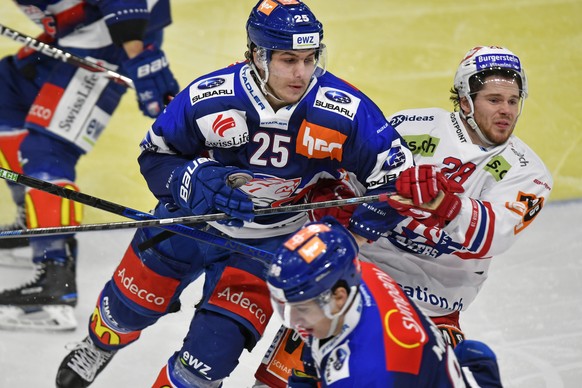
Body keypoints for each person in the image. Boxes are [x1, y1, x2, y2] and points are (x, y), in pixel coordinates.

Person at [55, 1, 414, 387]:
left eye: (310, 59)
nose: (301, 73)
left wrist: (353, 234)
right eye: (288, 59)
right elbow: (156, 157)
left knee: (205, 365)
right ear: (257, 56)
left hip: (268, 246)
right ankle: (99, 346)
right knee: (124, 310)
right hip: (189, 225)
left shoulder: (344, 111)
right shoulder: (211, 96)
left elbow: (398, 177)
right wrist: (197, 180)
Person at [254, 45, 553, 386]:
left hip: (433, 306)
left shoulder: (528, 172)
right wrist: (337, 197)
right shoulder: (413, 125)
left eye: (513, 101)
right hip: (357, 282)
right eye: (494, 99)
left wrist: (445, 204)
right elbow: (353, 178)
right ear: (466, 100)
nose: (506, 111)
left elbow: (492, 235)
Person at [0, 0, 179, 331]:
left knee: (47, 148)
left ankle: (55, 281)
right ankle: (36, 223)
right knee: (5, 92)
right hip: (76, 33)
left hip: (112, 40)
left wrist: (139, 56)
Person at [265, 217, 503, 387]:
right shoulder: (366, 274)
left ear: (338, 298)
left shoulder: (368, 374)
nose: (294, 322)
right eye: (286, 307)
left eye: (302, 308)